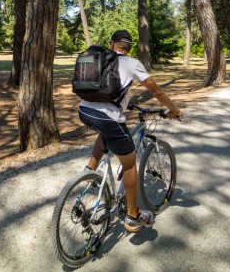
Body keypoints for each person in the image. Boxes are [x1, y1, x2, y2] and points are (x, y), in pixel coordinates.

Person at [78, 29, 183, 233]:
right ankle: (133, 216)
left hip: (84, 110)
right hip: (107, 116)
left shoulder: (99, 58)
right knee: (129, 164)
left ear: (111, 44)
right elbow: (157, 91)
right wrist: (174, 109)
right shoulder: (132, 63)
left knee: (106, 132)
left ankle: (90, 172)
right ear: (130, 47)